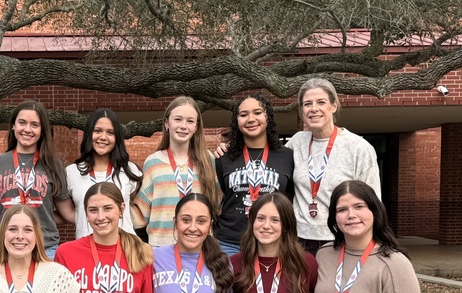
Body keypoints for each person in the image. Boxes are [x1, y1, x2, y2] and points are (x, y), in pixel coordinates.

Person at [286, 78, 381, 254]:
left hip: (340, 238)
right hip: (299, 240)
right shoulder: (296, 143)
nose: (314, 108)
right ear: (302, 111)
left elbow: (373, 203)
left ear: (334, 106)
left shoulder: (358, 148)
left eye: (321, 102)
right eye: (307, 104)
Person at [0, 100, 75, 259]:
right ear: (13, 126)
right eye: (22, 123)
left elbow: (67, 213)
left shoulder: (54, 165)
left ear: (42, 130)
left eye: (34, 125)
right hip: (4, 246)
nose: (27, 129)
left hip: (44, 247)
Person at [133, 96, 221, 247]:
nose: (183, 126)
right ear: (167, 123)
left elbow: (217, 202)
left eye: (190, 121)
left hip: (200, 247)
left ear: (196, 127)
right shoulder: (153, 162)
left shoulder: (208, 159)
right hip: (161, 247)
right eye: (178, 119)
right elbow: (141, 212)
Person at [214, 94, 294, 257]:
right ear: (237, 121)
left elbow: (290, 197)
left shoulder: (288, 156)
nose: (251, 119)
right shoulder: (224, 157)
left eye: (257, 113)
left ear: (268, 117)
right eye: (244, 115)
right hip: (230, 243)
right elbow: (219, 195)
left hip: (272, 241)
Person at [65, 109, 142, 239]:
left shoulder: (130, 170)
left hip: (125, 245)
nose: (103, 137)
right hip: (86, 245)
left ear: (117, 137)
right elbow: (72, 213)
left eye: (110, 132)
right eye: (98, 131)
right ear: (89, 134)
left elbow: (134, 206)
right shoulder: (72, 172)